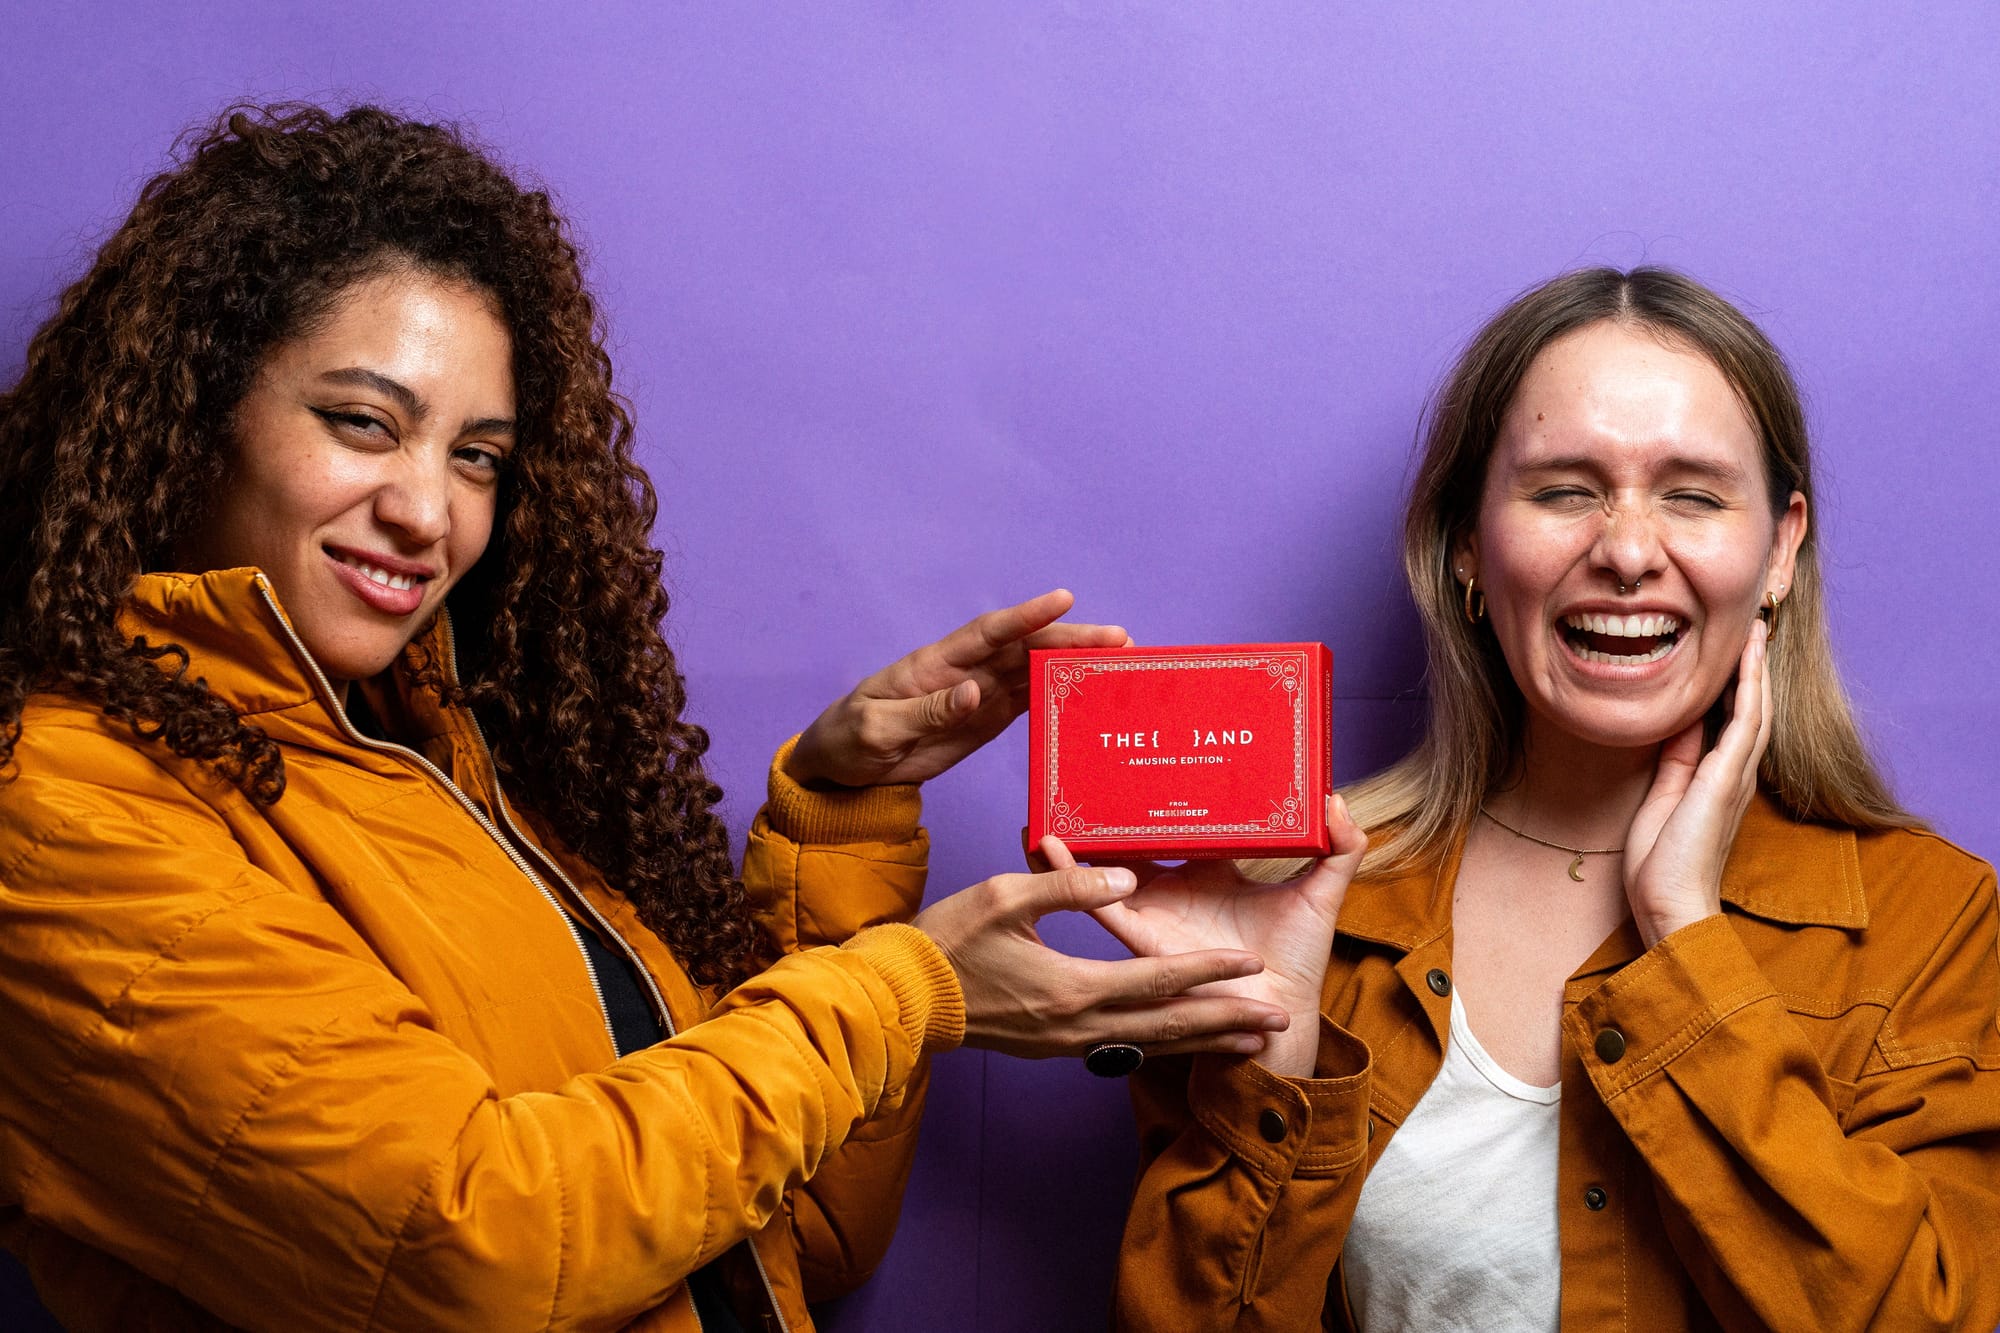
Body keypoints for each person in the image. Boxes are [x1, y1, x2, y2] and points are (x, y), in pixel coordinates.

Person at [0, 104, 1295, 1332]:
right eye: (362, 424)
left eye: (476, 457)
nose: (426, 511)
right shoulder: (56, 811)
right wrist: (909, 992)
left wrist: (845, 818)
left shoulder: (455, 767)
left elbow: (794, 1239)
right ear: (189, 417)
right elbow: (476, 1252)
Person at [1086, 268, 2000, 1330]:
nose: (1626, 552)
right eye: (1564, 491)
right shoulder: (1300, 905)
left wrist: (1686, 943)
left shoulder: (1933, 924)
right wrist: (1270, 1060)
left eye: (1693, 495)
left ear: (1779, 549)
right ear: (1467, 544)